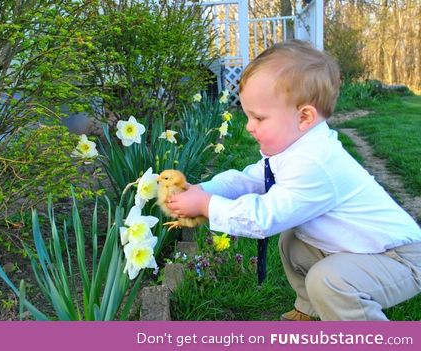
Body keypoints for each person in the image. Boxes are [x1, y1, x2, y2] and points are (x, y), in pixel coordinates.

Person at [167, 39, 421, 321]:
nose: (249, 127)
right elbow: (250, 180)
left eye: (259, 118)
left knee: (329, 281)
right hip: (363, 248)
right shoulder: (296, 147)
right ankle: (309, 313)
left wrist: (206, 205)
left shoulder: (316, 163)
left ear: (304, 117)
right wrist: (204, 190)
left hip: (398, 258)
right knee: (293, 241)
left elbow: (264, 218)